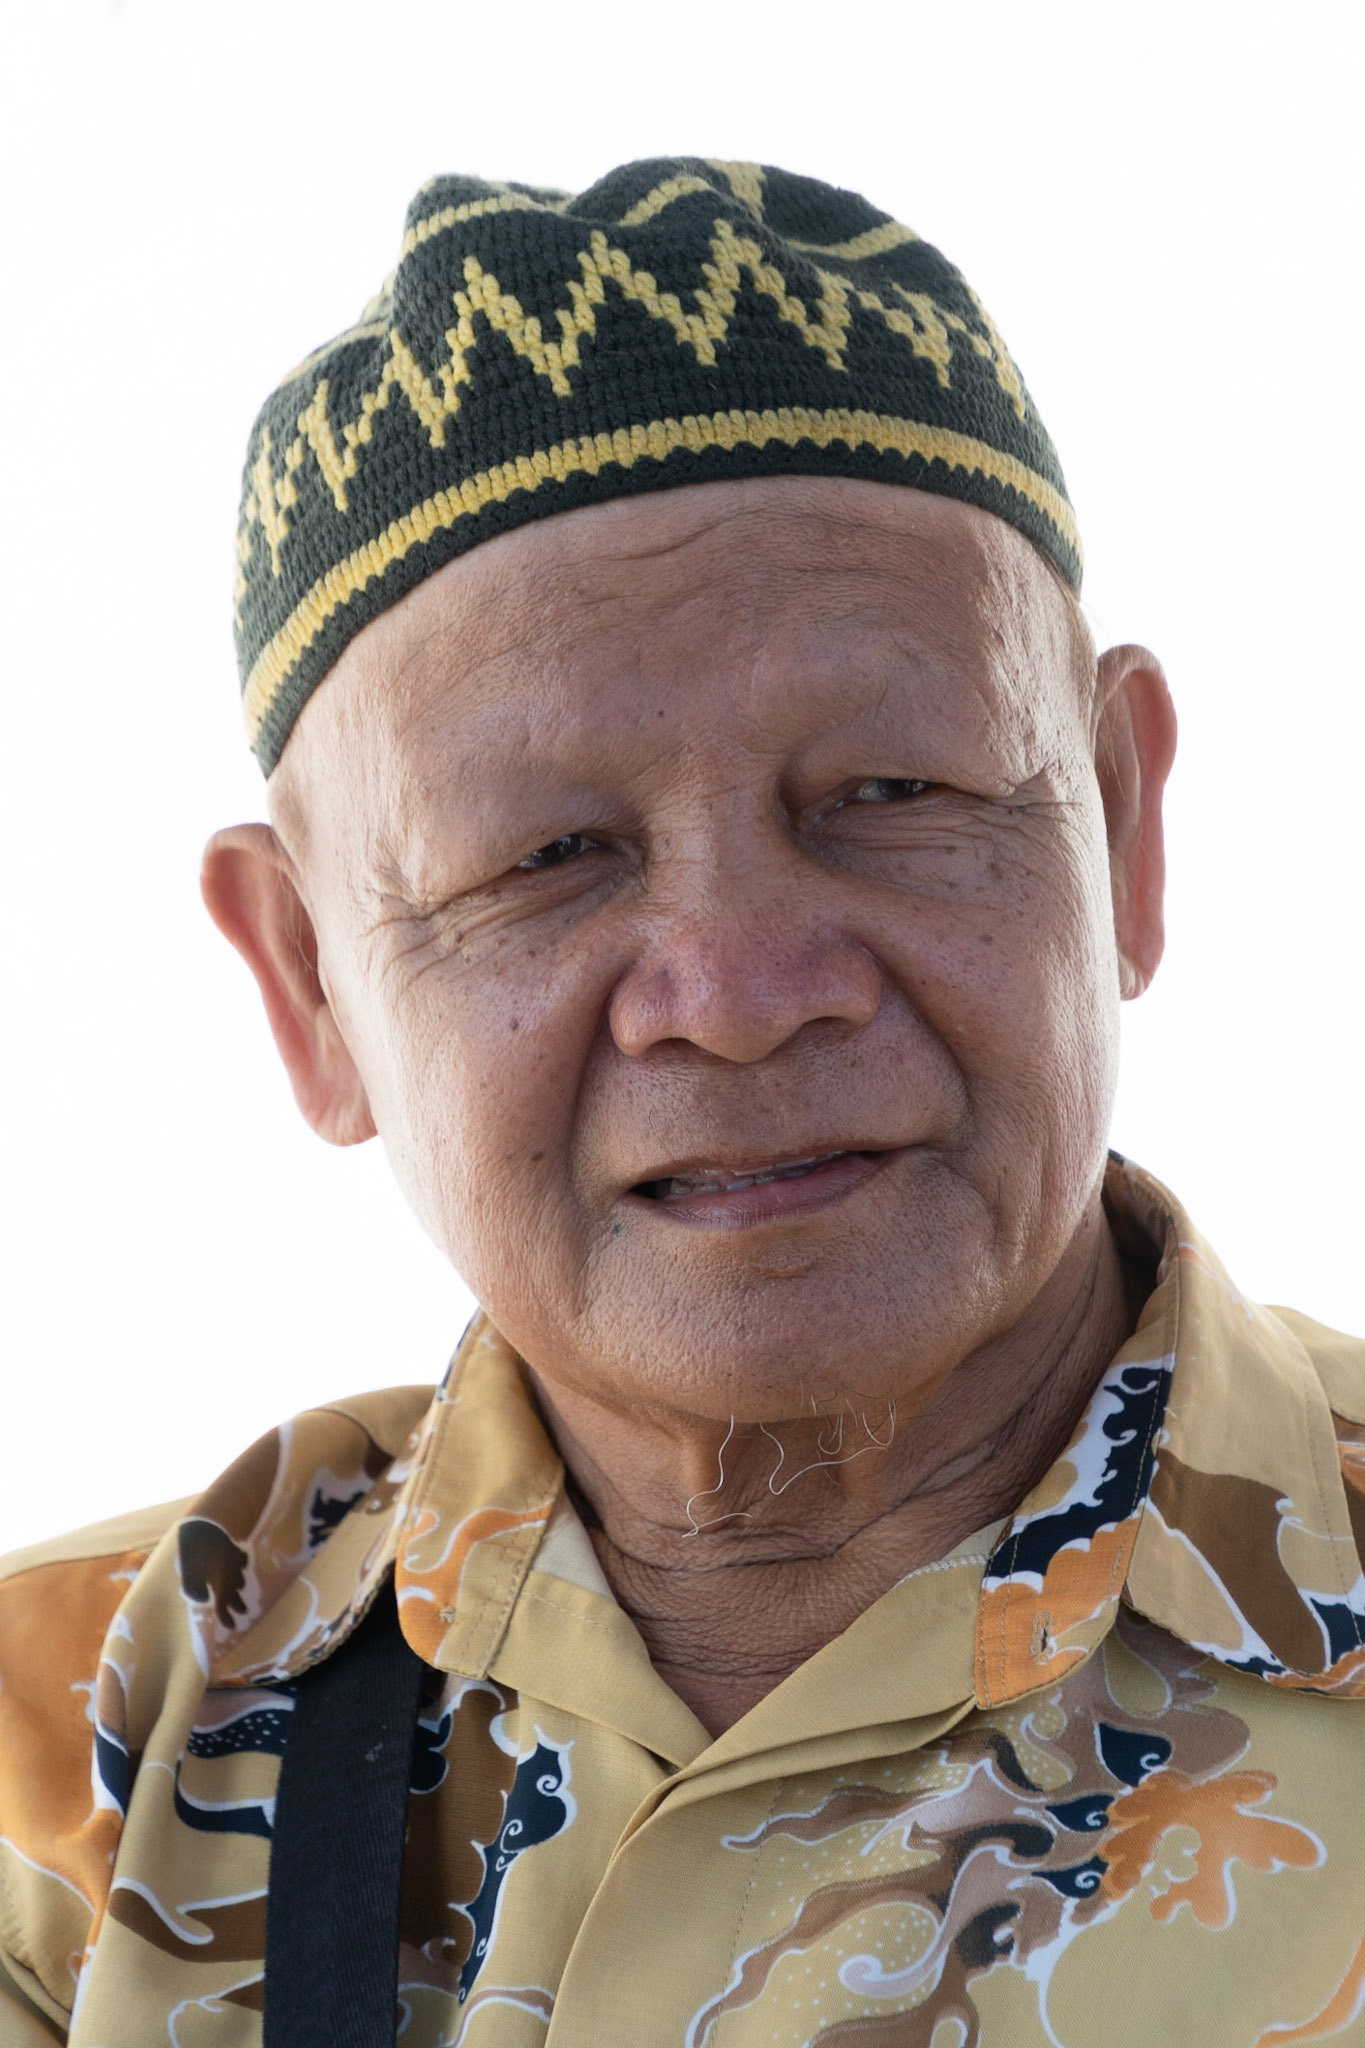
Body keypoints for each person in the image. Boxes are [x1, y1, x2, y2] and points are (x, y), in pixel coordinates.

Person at [1, 157, 1362, 2048]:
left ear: (1120, 827)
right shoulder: (60, 1762)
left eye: (889, 791)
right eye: (545, 854)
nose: (735, 996)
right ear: (308, 984)